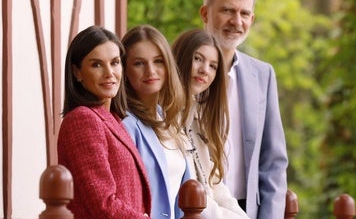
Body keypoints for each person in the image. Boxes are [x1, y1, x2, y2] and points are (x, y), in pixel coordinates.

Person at [199, 0, 288, 219]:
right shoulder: (181, 71)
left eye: (244, 13)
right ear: (205, 14)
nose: (236, 21)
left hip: (247, 210)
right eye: (227, 10)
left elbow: (274, 162)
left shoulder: (263, 75)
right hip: (195, 208)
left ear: (252, 19)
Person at [57, 25, 151, 219]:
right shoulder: (82, 119)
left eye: (115, 63)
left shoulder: (113, 119)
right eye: (96, 65)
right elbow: (103, 204)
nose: (109, 73)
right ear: (77, 73)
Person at [172, 28, 250, 219]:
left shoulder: (198, 119)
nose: (204, 70)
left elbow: (215, 186)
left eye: (213, 66)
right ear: (181, 58)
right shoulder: (164, 118)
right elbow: (197, 200)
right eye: (198, 59)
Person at [121, 25, 190, 219]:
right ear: (125, 70)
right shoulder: (125, 124)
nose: (150, 71)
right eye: (139, 63)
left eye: (158, 61)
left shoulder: (168, 120)